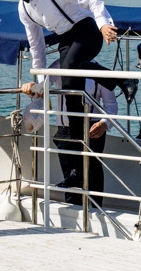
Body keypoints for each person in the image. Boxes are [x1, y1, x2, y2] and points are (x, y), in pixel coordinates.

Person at [0, 0, 137, 182]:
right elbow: (37, 46)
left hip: (87, 32)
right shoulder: (23, 8)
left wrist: (103, 24)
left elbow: (92, 0)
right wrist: (40, 79)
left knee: (70, 70)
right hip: (66, 40)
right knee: (67, 85)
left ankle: (82, 133)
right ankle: (77, 152)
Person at [22, 60, 119, 206]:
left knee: (92, 173)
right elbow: (43, 86)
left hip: (92, 128)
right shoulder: (59, 65)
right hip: (65, 130)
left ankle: (96, 209)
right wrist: (32, 86)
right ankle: (73, 212)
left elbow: (111, 105)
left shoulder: (100, 70)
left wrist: (105, 123)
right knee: (70, 175)